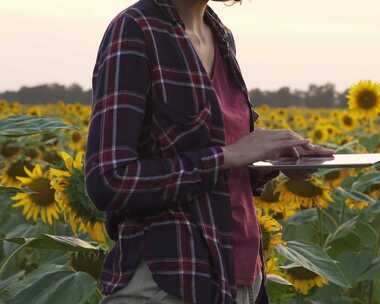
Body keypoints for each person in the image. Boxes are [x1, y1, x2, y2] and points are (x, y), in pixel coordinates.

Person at [84, 0, 334, 303]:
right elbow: (108, 180)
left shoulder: (221, 36)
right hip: (170, 279)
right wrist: (227, 156)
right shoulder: (135, 30)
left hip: (242, 276)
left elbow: (221, 172)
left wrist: (271, 160)